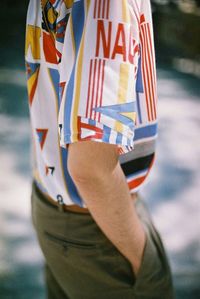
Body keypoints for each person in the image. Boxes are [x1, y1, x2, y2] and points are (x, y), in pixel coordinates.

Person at [25, 0, 175, 298]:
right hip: (95, 224)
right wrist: (142, 259)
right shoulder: (110, 4)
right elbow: (91, 170)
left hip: (54, 204)